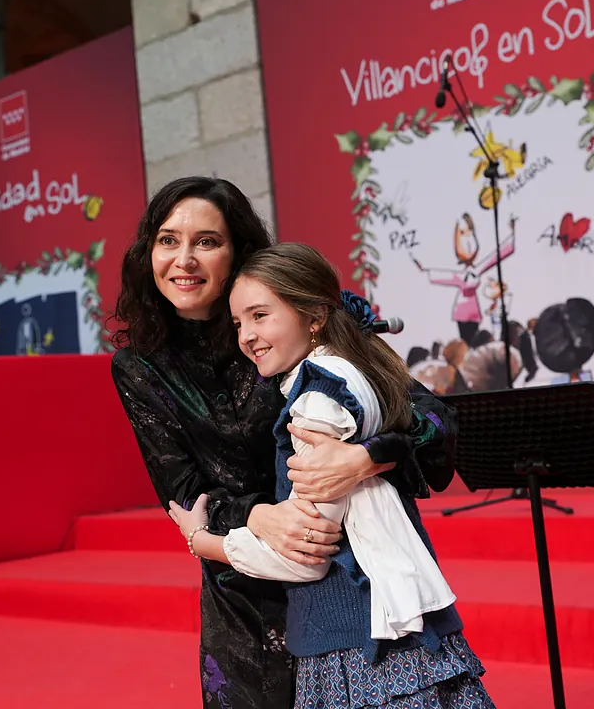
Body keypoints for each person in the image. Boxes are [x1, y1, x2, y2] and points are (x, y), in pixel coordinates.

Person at [110, 177, 458, 708]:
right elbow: (182, 493)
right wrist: (257, 516)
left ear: (239, 252)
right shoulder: (139, 366)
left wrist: (363, 458)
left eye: (207, 241)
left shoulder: (291, 319)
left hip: (345, 581)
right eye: (167, 240)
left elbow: (433, 419)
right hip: (243, 592)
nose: (184, 259)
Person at [170, 243, 493, 709]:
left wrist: (204, 543)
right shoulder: (354, 369)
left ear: (315, 316)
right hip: (389, 625)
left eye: (261, 316)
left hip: (364, 644)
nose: (246, 336)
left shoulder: (316, 401)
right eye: (239, 322)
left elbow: (308, 552)